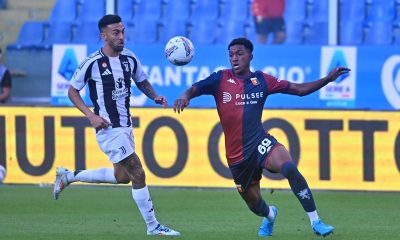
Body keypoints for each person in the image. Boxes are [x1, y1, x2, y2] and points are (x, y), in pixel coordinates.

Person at [173, 37, 350, 237]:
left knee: (289, 167)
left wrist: (328, 79)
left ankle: (316, 220)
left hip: (260, 143)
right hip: (237, 157)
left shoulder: (262, 80)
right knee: (254, 204)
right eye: (231, 55)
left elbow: (299, 90)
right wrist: (184, 97)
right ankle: (270, 215)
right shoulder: (220, 79)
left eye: (239, 53)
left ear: (250, 56)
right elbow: (194, 89)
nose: (234, 58)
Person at [53, 14, 180, 236]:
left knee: (122, 177)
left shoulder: (129, 58)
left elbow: (141, 81)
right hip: (108, 129)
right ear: (103, 35)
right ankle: (153, 226)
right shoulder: (92, 63)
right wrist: (90, 115)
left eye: (122, 32)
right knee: (138, 172)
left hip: (126, 126)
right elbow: (72, 91)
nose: (121, 37)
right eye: (116, 32)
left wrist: (155, 96)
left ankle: (69, 176)